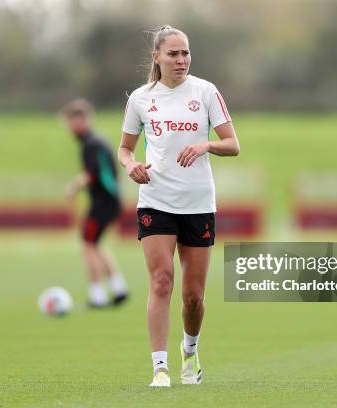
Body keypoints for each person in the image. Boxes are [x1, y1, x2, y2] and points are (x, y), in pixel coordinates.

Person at [118, 26, 240, 387]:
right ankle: (160, 367)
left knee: (193, 296)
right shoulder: (140, 99)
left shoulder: (205, 92)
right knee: (160, 282)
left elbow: (233, 144)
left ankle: (190, 349)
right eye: (173, 54)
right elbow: (125, 149)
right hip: (156, 200)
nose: (181, 60)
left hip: (198, 203)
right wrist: (131, 166)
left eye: (185, 53)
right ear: (157, 57)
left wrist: (205, 145)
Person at [61, 98, 129, 308]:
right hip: (111, 201)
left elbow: (93, 174)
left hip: (103, 203)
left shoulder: (90, 144)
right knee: (95, 243)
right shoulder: (96, 142)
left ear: (81, 120)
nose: (68, 128)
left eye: (70, 122)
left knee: (88, 244)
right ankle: (119, 288)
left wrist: (74, 187)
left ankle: (97, 296)